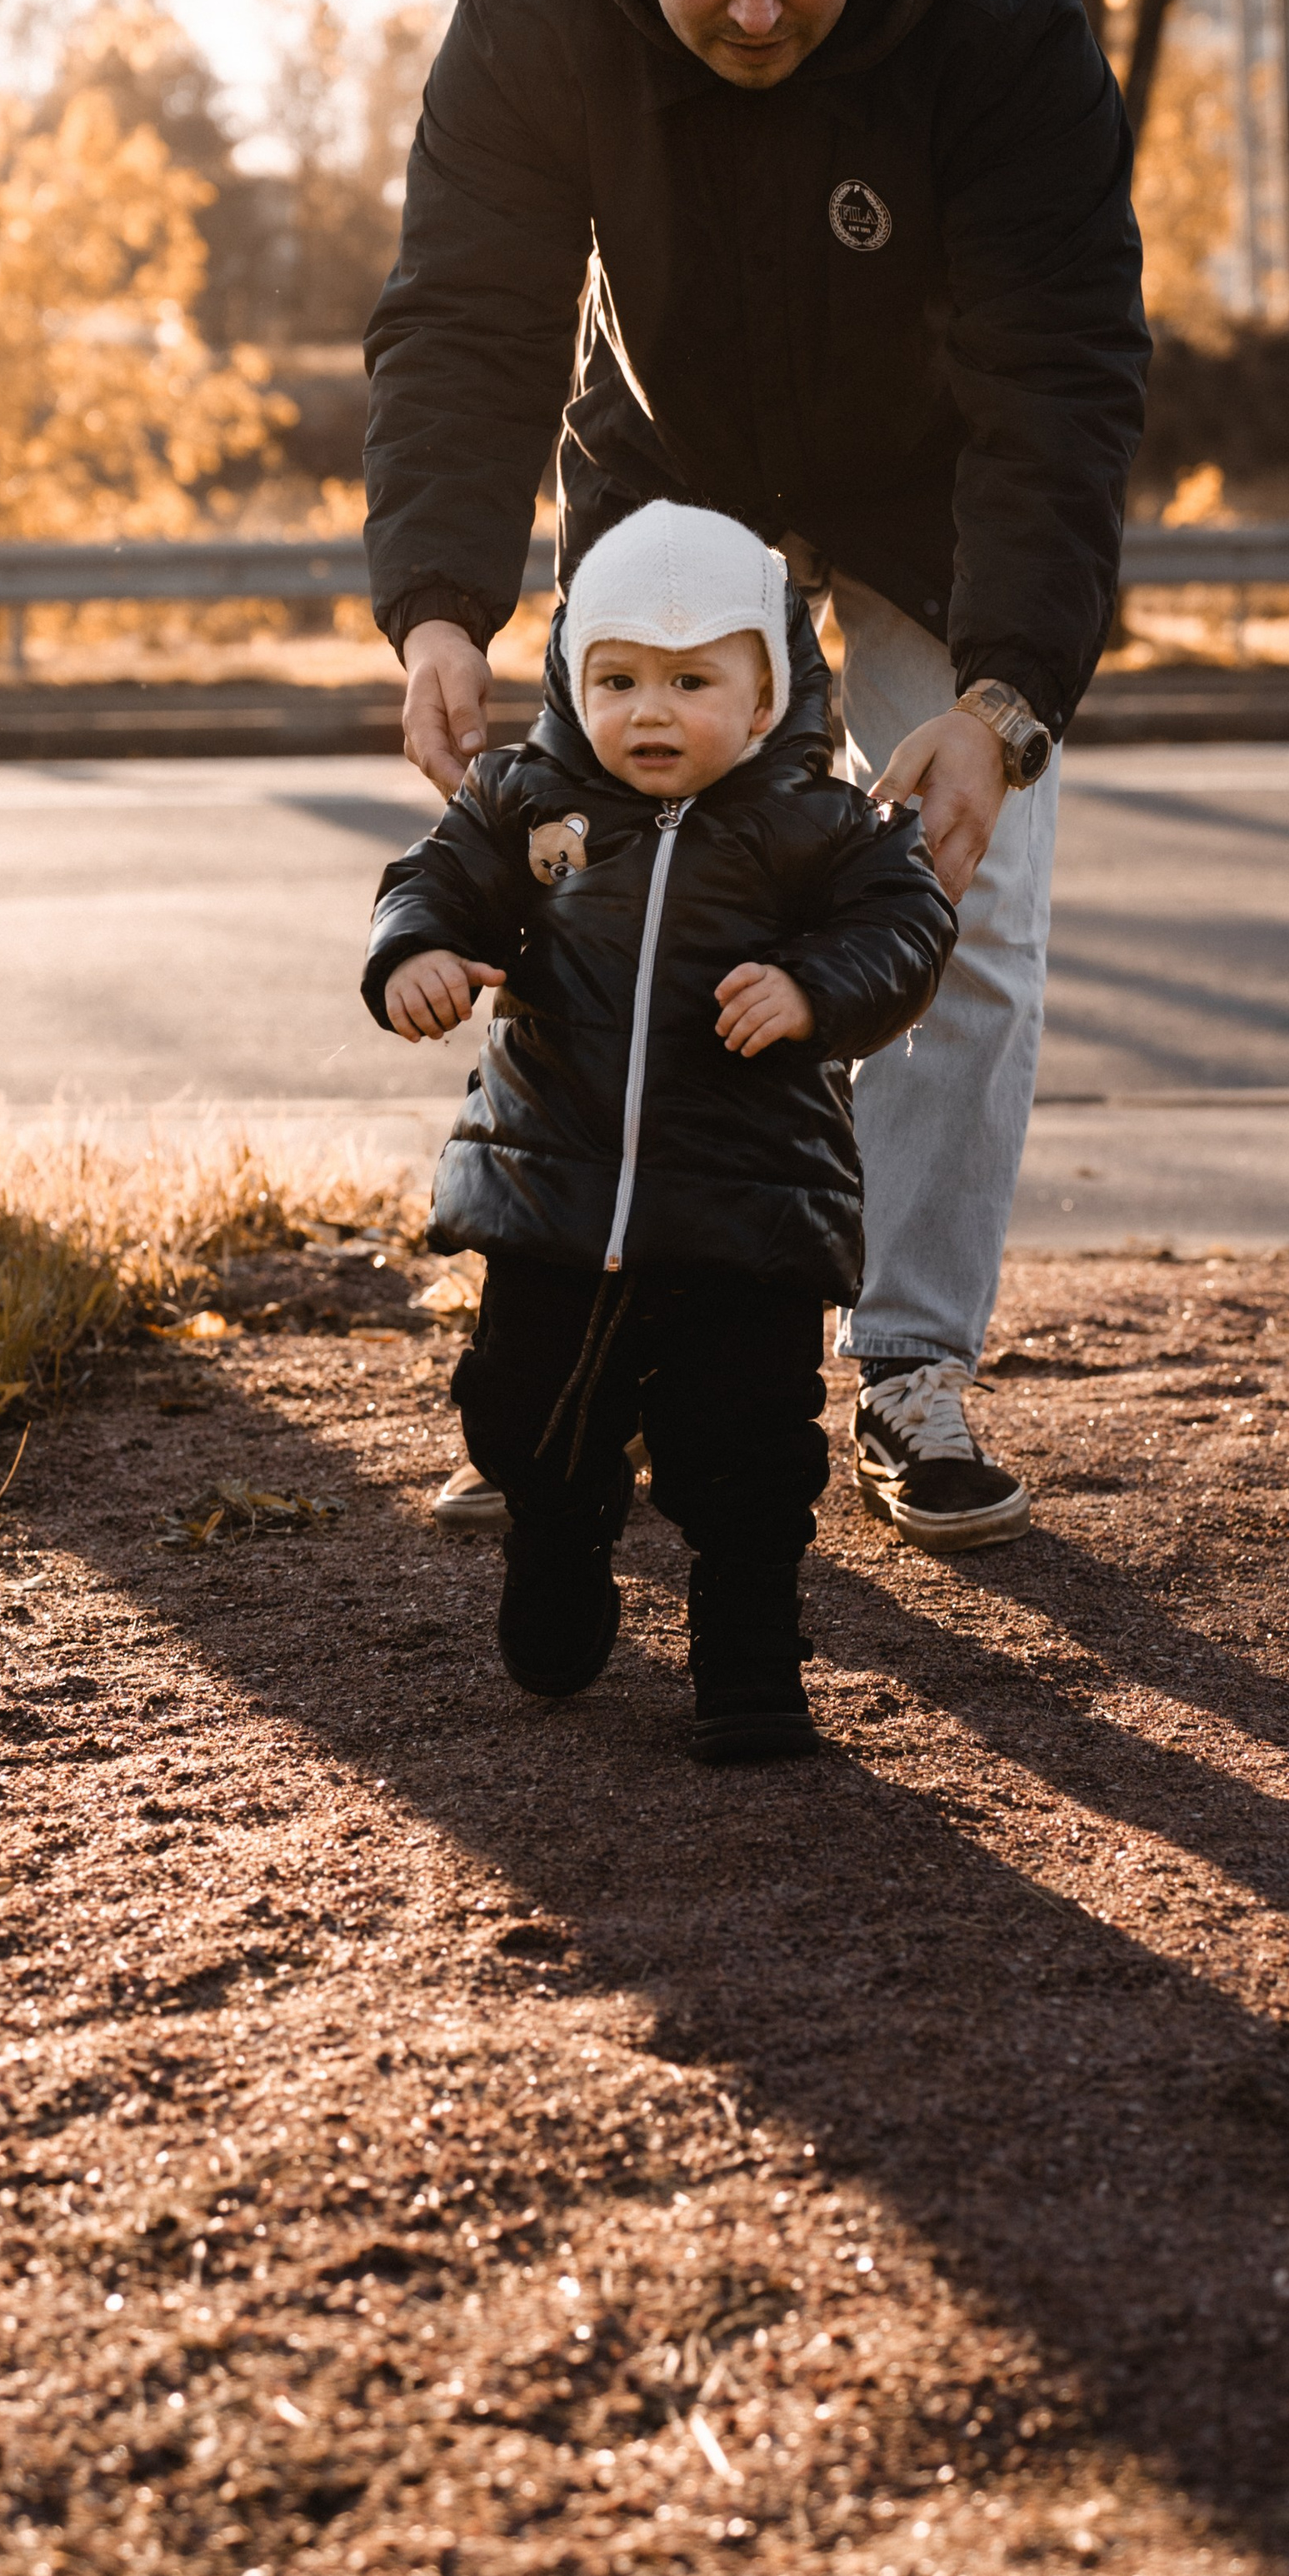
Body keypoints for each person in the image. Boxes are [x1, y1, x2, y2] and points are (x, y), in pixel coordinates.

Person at [364, 0, 1149, 1551]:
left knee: (966, 890)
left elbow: (1058, 384)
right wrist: (443, 609)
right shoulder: (530, 18)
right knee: (607, 898)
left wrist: (1004, 702)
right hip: (668, 471)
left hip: (932, 492)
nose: (752, 2)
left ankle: (908, 1363)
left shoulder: (1009, 33)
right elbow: (470, 316)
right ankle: (594, 1348)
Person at [362, 503, 955, 1760]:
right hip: (553, 1202)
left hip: (747, 1208)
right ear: (573, 681)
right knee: (523, 1413)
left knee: (745, 1450)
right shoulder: (524, 801)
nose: (650, 711)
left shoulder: (822, 826)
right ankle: (559, 1540)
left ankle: (750, 1656)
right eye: (619, 678)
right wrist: (415, 952)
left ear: (765, 693)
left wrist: (815, 988)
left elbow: (906, 928)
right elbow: (432, 879)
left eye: (692, 682)